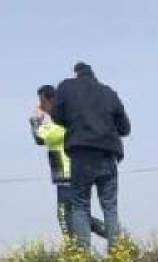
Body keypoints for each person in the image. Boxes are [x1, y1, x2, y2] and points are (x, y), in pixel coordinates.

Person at [52, 62, 130, 252]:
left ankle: (83, 257)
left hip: (81, 153)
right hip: (107, 154)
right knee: (110, 206)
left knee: (80, 205)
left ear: (76, 74)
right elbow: (125, 128)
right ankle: (117, 255)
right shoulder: (109, 92)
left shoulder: (66, 87)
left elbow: (56, 116)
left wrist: (74, 123)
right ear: (94, 75)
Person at [29, 85, 107, 241]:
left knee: (65, 215)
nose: (40, 106)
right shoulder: (66, 122)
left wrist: (36, 118)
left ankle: (76, 252)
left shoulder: (59, 126)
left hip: (66, 177)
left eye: (42, 101)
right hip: (73, 175)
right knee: (78, 214)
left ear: (50, 101)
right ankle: (114, 235)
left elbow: (39, 137)